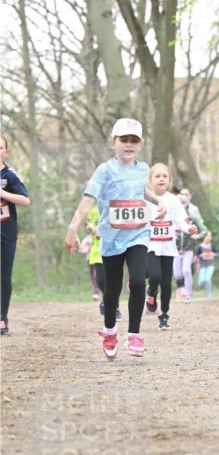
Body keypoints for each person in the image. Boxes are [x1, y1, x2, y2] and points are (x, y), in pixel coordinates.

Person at [65, 118, 165, 359]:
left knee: (139, 281)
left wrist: (158, 201)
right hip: (111, 239)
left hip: (138, 234)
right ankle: (110, 330)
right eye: (124, 140)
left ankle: (134, 334)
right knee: (112, 290)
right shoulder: (105, 170)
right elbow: (88, 199)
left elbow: (140, 190)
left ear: (140, 144)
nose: (129, 145)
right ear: (114, 143)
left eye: (134, 140)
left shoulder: (143, 169)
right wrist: (72, 228)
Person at [145, 162, 195, 329]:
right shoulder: (145, 199)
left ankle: (164, 314)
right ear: (150, 180)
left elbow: (181, 220)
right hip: (150, 246)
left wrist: (189, 228)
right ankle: (151, 292)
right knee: (155, 276)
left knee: (166, 282)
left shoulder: (173, 200)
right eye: (157, 176)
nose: (161, 179)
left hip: (168, 247)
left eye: (164, 176)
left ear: (169, 180)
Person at [0, 134, 31, 336]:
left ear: (6, 152)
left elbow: (25, 200)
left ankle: (2, 317)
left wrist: (2, 194)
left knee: (3, 274)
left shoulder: (9, 175)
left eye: (0, 147)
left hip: (5, 230)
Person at [174, 194, 204, 302]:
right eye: (179, 203)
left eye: (183, 203)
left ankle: (188, 294)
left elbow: (203, 230)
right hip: (175, 251)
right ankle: (181, 290)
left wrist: (197, 235)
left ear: (186, 204)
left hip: (188, 250)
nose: (181, 205)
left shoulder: (191, 217)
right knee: (177, 274)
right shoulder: (171, 217)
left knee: (186, 271)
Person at [196, 232, 219, 298]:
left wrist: (213, 254)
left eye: (210, 236)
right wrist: (201, 256)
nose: (209, 238)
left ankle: (210, 294)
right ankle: (204, 291)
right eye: (208, 236)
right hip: (202, 265)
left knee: (208, 279)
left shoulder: (212, 246)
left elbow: (217, 253)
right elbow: (196, 256)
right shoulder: (200, 247)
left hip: (211, 264)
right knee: (201, 282)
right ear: (204, 237)